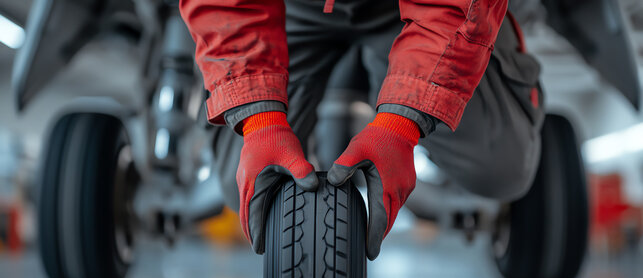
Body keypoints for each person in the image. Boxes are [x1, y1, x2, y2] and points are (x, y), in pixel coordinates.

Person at [179, 0, 544, 259]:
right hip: (285, 10)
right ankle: (382, 72)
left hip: (407, 13)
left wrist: (400, 124)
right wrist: (260, 122)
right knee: (242, 186)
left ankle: (390, 69)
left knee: (503, 165)